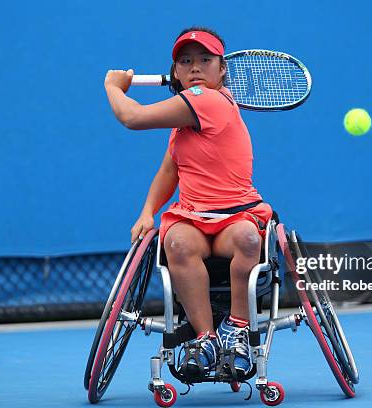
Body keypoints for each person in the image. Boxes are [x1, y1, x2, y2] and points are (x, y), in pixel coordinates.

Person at [104, 27, 273, 379]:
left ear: (222, 69)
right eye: (186, 61)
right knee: (177, 243)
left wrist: (112, 87)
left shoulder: (205, 100)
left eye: (205, 60)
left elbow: (131, 117)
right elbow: (169, 171)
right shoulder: (184, 121)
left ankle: (239, 329)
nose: (195, 67)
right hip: (193, 220)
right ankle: (206, 338)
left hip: (235, 217)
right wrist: (147, 212)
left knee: (248, 239)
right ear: (176, 72)